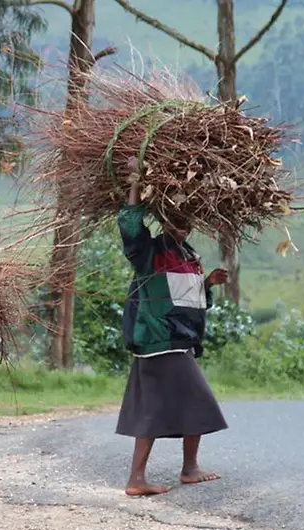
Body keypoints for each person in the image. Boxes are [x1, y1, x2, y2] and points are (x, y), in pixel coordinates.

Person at [115, 157, 229, 497]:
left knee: (160, 407)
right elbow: (130, 227)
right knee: (196, 399)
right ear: (164, 220)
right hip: (158, 338)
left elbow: (186, 300)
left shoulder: (188, 255)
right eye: (176, 220)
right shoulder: (150, 252)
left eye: (186, 222)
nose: (182, 227)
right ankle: (178, 470)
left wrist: (207, 284)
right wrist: (136, 182)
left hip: (177, 340)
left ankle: (156, 474)